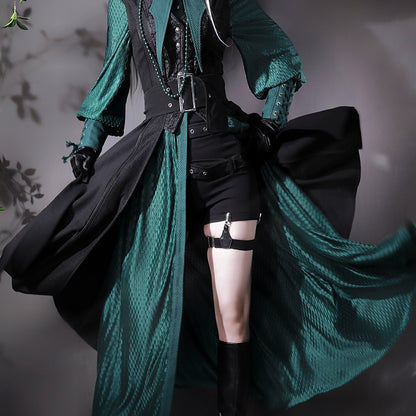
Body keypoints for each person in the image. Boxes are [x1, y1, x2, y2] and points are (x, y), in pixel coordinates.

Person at [1, 1, 416, 416]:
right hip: (160, 178)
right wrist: (89, 144)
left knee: (233, 315)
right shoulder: (126, 4)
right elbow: (113, 75)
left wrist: (270, 125)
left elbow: (280, 59)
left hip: (228, 176)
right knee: (143, 312)